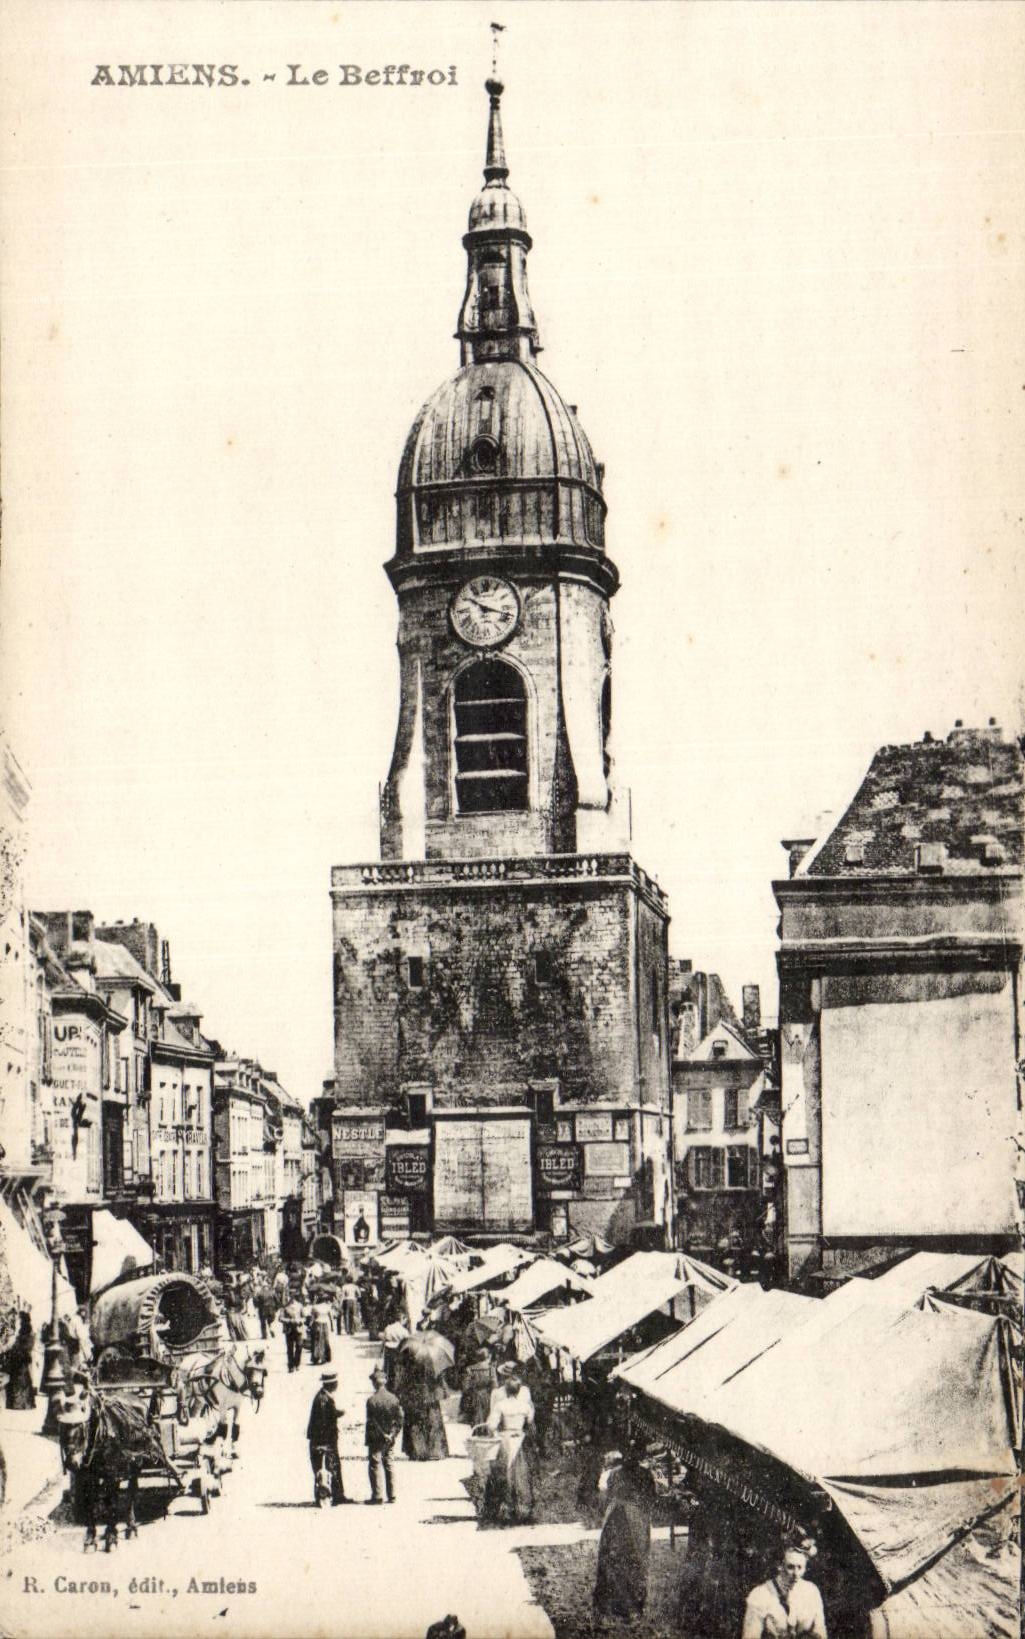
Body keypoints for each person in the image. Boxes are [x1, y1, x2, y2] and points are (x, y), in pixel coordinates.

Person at [593, 1444, 658, 1624]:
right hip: (619, 1520)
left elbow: (649, 1497)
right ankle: (616, 1605)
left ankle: (630, 1605)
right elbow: (649, 1498)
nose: (631, 1457)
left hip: (632, 1520)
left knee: (632, 1559)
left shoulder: (643, 1474)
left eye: (634, 1454)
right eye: (629, 1454)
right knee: (617, 1559)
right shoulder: (617, 1474)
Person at [482, 1363, 535, 1524]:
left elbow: (491, 1424)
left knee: (503, 1473)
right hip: (520, 1438)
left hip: (505, 1439)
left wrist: (494, 1431)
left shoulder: (498, 1399)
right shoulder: (525, 1397)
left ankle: (503, 1508)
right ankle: (523, 1508)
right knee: (521, 1474)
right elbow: (530, 1419)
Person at [741, 1545, 827, 1638]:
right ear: (780, 1566)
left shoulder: (812, 1591)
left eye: (800, 1567)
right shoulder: (760, 1595)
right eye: (790, 1567)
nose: (796, 1574)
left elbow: (820, 1631)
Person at [396, 1347, 449, 1461]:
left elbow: (402, 1379)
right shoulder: (434, 1359)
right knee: (433, 1422)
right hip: (431, 1396)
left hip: (414, 1396)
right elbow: (440, 1379)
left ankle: (417, 1451)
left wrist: (401, 1394)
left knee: (415, 1422)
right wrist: (442, 1392)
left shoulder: (408, 1357)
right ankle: (435, 1451)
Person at [306, 1370, 348, 1506]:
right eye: (336, 1382)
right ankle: (333, 1496)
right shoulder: (323, 1398)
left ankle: (333, 1495)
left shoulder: (323, 1396)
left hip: (322, 1439)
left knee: (329, 1467)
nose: (337, 1384)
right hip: (324, 1440)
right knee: (330, 1467)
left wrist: (336, 1413)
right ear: (332, 1384)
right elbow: (323, 1421)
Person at [364, 1364, 403, 1504]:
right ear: (385, 1382)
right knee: (389, 1463)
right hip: (389, 1439)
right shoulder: (394, 1399)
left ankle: (377, 1496)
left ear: (375, 1384)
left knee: (375, 1464)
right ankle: (392, 1495)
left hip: (375, 1438)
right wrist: (392, 1434)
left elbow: (371, 1421)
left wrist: (382, 1434)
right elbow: (400, 1419)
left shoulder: (371, 1401)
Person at [1, 1311, 36, 1410]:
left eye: (18, 1320)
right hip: (18, 1361)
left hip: (21, 1361)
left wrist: (12, 1348)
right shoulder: (20, 1334)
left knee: (20, 1381)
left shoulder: (27, 1335)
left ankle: (20, 1404)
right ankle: (19, 1404)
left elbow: (24, 1347)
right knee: (19, 1381)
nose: (16, 1321)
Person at [459, 1346, 497, 1428]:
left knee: (475, 1419)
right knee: (487, 1417)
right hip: (487, 1397)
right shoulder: (491, 1369)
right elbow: (495, 1386)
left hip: (473, 1396)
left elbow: (465, 1387)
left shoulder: (470, 1369)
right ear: (488, 1357)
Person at [282, 1295, 304, 1373]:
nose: (291, 1298)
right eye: (290, 1296)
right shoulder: (285, 1307)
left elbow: (304, 1317)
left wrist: (301, 1321)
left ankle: (297, 1363)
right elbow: (280, 1318)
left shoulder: (300, 1305)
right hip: (289, 1330)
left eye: (293, 1296)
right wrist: (289, 1321)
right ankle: (291, 1366)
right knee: (290, 1349)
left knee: (299, 1346)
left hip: (298, 1329)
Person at [310, 1296, 333, 1365]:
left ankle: (315, 1358)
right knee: (325, 1341)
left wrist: (310, 1325)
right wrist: (332, 1326)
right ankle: (325, 1358)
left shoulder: (315, 1307)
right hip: (325, 1324)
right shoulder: (328, 1307)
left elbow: (312, 1317)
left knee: (317, 1341)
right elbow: (331, 1317)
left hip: (317, 1324)